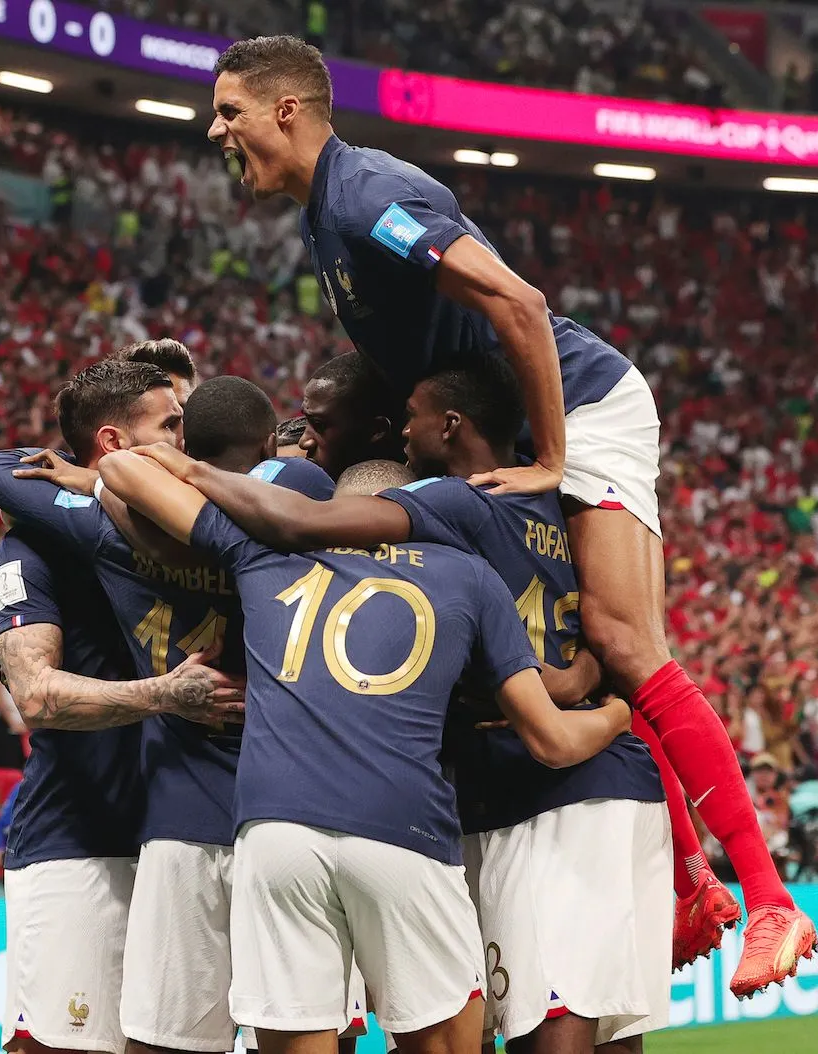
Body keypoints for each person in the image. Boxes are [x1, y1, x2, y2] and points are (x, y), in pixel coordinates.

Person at [207, 36, 811, 989]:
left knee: (624, 636)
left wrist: (552, 459)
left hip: (584, 403)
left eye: (230, 110)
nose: (217, 129)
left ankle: (771, 899)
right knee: (596, 645)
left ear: (287, 111)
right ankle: (695, 882)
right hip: (523, 422)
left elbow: (520, 305)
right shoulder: (328, 213)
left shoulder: (367, 197)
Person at [136, 356, 679, 1048]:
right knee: (498, 1032)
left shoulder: (272, 552)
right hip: (430, 816)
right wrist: (613, 703)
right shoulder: (489, 557)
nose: (402, 428)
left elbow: (162, 490)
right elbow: (558, 720)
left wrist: (167, 464)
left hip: (280, 824)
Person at [0, 364, 350, 1054]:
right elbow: (35, 695)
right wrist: (165, 694)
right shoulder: (40, 543)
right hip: (88, 833)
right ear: (115, 442)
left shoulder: (232, 522)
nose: (188, 433)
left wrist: (105, 483)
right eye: (172, 422)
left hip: (216, 813)